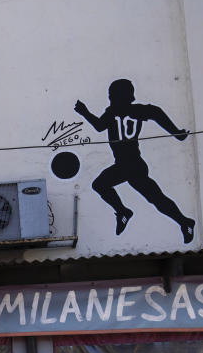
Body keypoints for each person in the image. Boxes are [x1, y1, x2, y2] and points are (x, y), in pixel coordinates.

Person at [74, 78, 196, 244]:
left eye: (112, 96)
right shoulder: (136, 111)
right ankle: (184, 221)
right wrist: (176, 133)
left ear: (119, 97)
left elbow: (99, 126)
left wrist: (84, 112)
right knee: (156, 198)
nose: (110, 99)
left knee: (101, 185)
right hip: (133, 165)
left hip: (128, 165)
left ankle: (124, 212)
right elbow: (156, 112)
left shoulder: (113, 113)